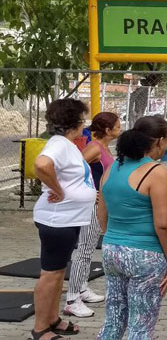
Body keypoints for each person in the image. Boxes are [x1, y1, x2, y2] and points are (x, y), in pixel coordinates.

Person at [97, 116, 167, 339]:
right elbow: (164, 224)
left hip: (112, 249)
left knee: (113, 319)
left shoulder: (112, 168)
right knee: (141, 324)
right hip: (146, 255)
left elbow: (101, 212)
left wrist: (114, 237)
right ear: (159, 141)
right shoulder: (156, 172)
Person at [31, 99, 96, 340]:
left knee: (58, 273)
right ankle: (40, 329)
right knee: (50, 274)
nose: (85, 124)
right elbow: (42, 164)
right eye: (83, 119)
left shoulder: (66, 144)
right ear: (76, 122)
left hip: (67, 219)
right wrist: (57, 189)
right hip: (57, 221)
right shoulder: (58, 144)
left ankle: (52, 318)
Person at [64, 112, 122, 318]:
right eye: (117, 125)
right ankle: (72, 299)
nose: (120, 128)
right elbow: (73, 170)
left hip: (97, 205)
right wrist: (89, 191)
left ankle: (82, 288)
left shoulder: (104, 147)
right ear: (107, 130)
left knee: (88, 250)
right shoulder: (95, 147)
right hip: (89, 205)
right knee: (84, 251)